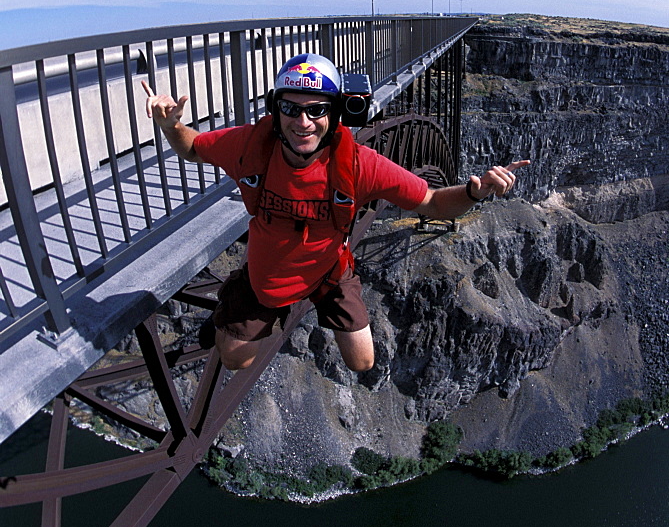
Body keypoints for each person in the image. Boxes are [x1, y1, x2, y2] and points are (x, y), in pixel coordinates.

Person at [142, 53, 528, 373]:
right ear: (275, 111)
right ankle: (234, 300)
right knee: (235, 360)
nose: (303, 121)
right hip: (267, 275)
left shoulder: (359, 164)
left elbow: (433, 202)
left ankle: (287, 299)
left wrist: (474, 193)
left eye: (317, 110)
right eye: (290, 108)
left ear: (336, 113)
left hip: (328, 270)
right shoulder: (249, 145)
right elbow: (194, 148)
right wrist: (171, 125)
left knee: (362, 362)